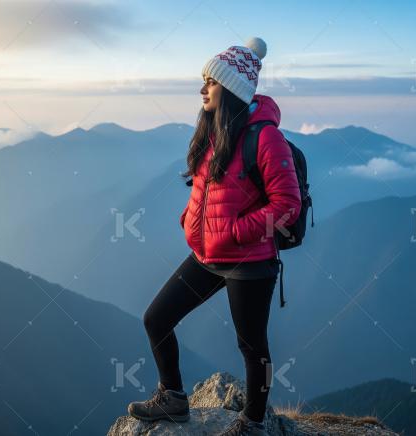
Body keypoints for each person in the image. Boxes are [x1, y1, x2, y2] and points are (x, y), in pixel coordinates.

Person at [127, 37, 302, 436]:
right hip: (207, 254)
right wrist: (190, 218)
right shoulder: (213, 130)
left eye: (211, 81)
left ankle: (254, 422)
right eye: (204, 81)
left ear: (232, 89)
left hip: (250, 262)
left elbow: (287, 204)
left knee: (252, 347)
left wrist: (238, 231)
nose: (202, 89)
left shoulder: (265, 138)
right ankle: (172, 397)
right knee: (156, 318)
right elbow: (207, 190)